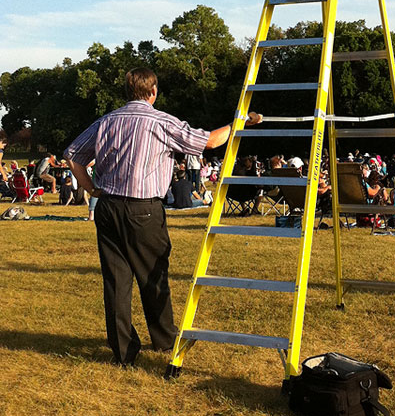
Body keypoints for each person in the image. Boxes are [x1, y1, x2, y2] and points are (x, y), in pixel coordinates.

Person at [64, 67, 261, 367]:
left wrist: (91, 188)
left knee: (116, 281)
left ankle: (124, 351)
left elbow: (73, 154)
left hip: (108, 207)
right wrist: (241, 121)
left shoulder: (106, 121)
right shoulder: (160, 121)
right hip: (144, 208)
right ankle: (165, 339)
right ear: (153, 91)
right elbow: (208, 141)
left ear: (127, 92)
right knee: (153, 273)